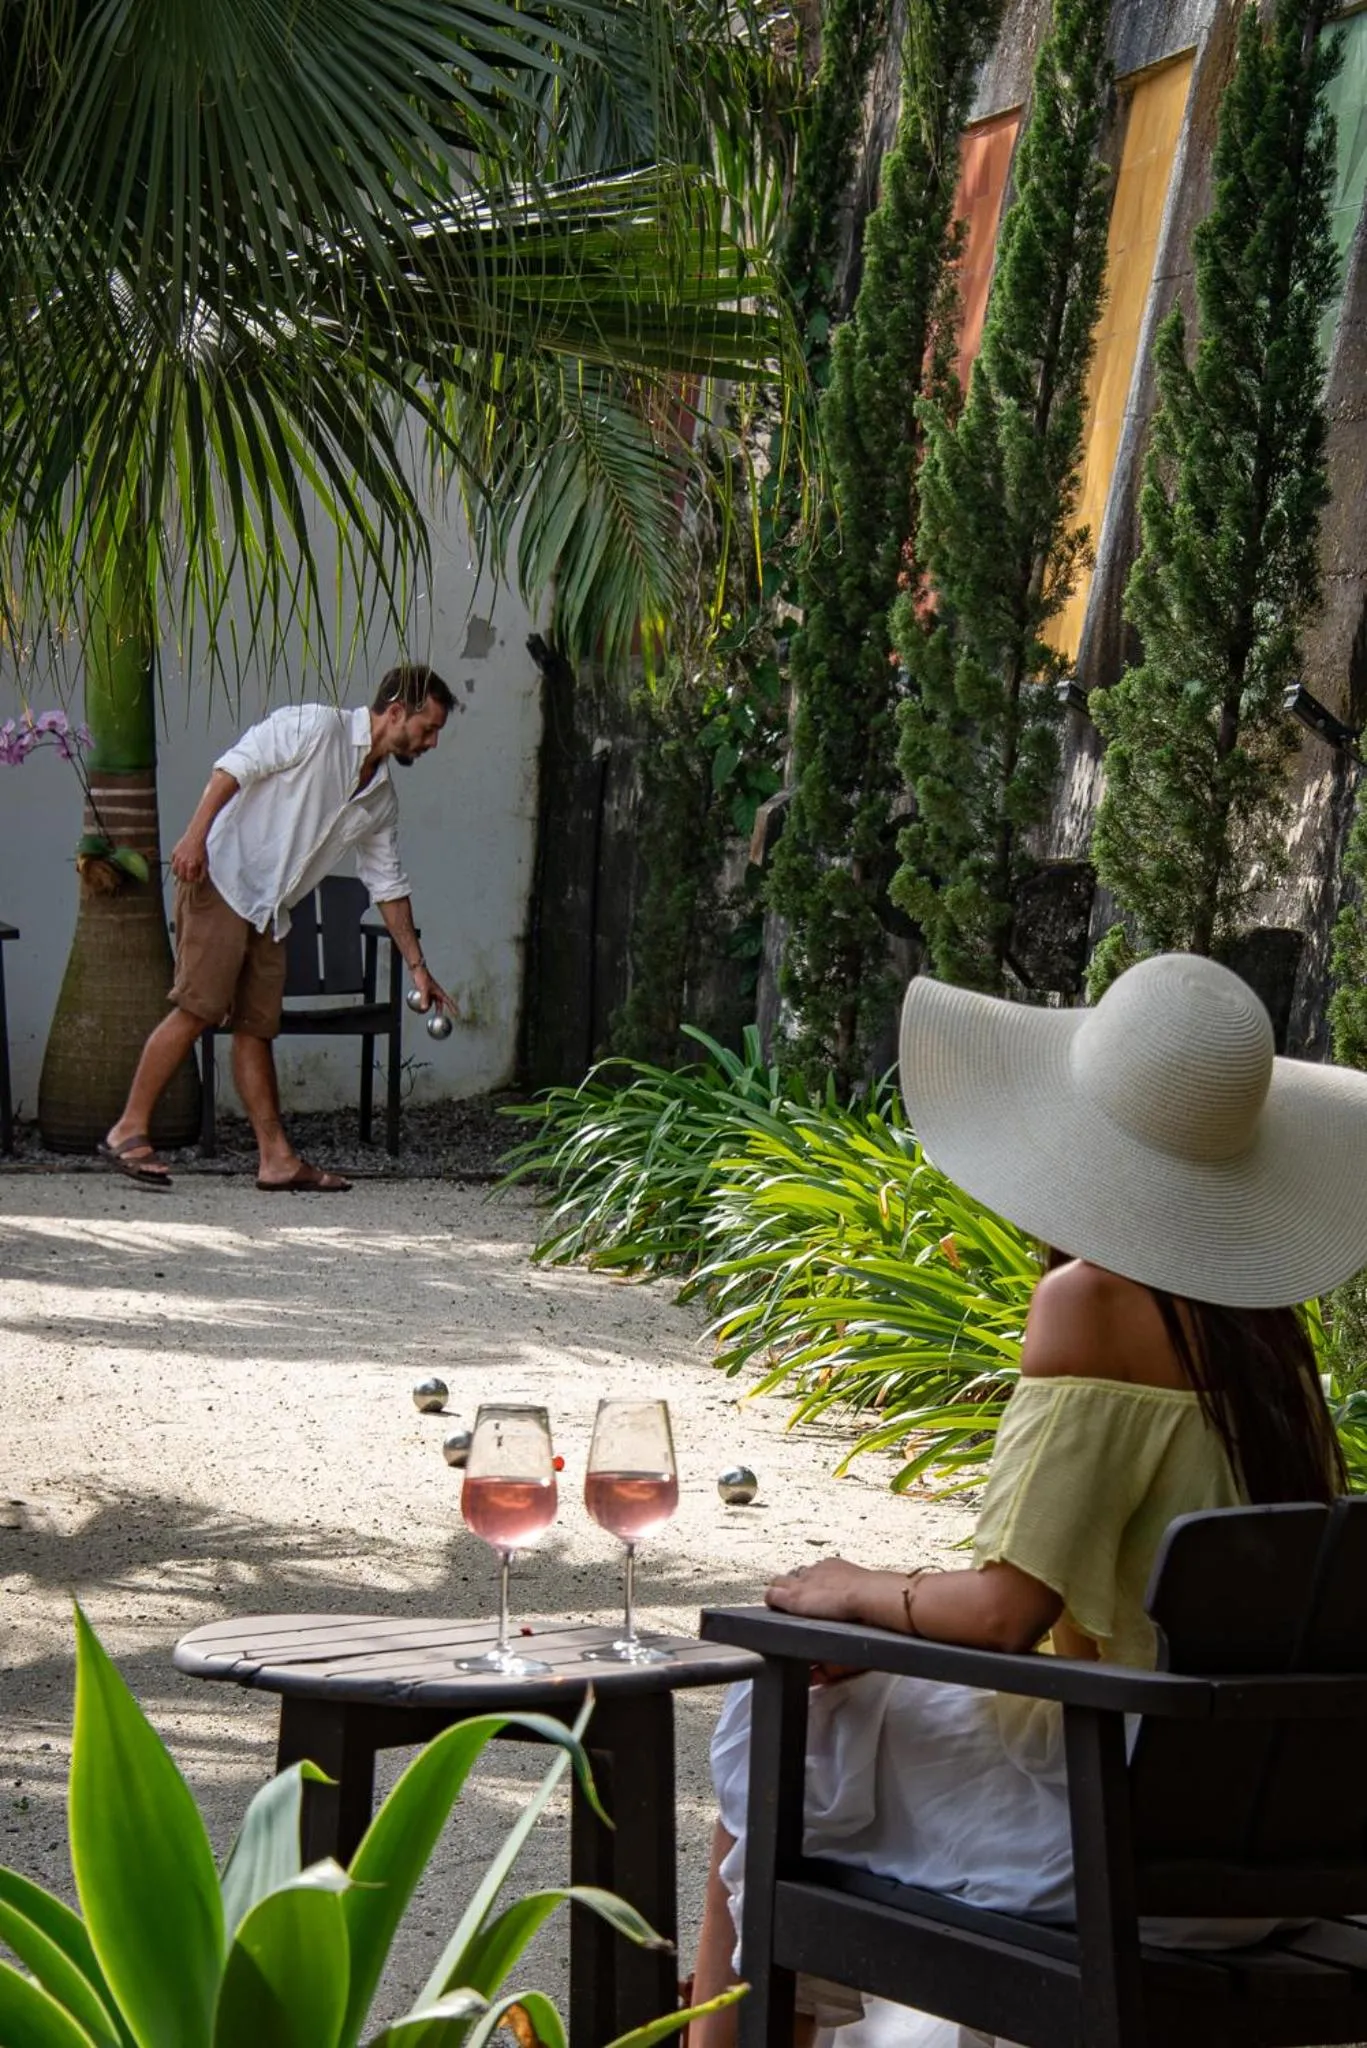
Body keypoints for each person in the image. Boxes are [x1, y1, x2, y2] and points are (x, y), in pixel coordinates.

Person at [689, 951, 1367, 2048]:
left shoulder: (1089, 1299)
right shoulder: (1268, 1345)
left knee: (777, 1724)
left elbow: (1005, 1611)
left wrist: (854, 1593)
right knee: (839, 1723)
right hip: (1278, 1852)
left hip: (1118, 1842)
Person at [99, 664, 457, 1191]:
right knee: (198, 1009)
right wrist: (195, 837)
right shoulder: (317, 727)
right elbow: (235, 767)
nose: (432, 743)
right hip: (224, 880)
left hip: (271, 910)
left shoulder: (380, 798)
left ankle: (276, 1160)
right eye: (429, 729)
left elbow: (387, 884)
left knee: (256, 1029)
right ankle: (127, 1130)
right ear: (398, 712)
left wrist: (418, 969)